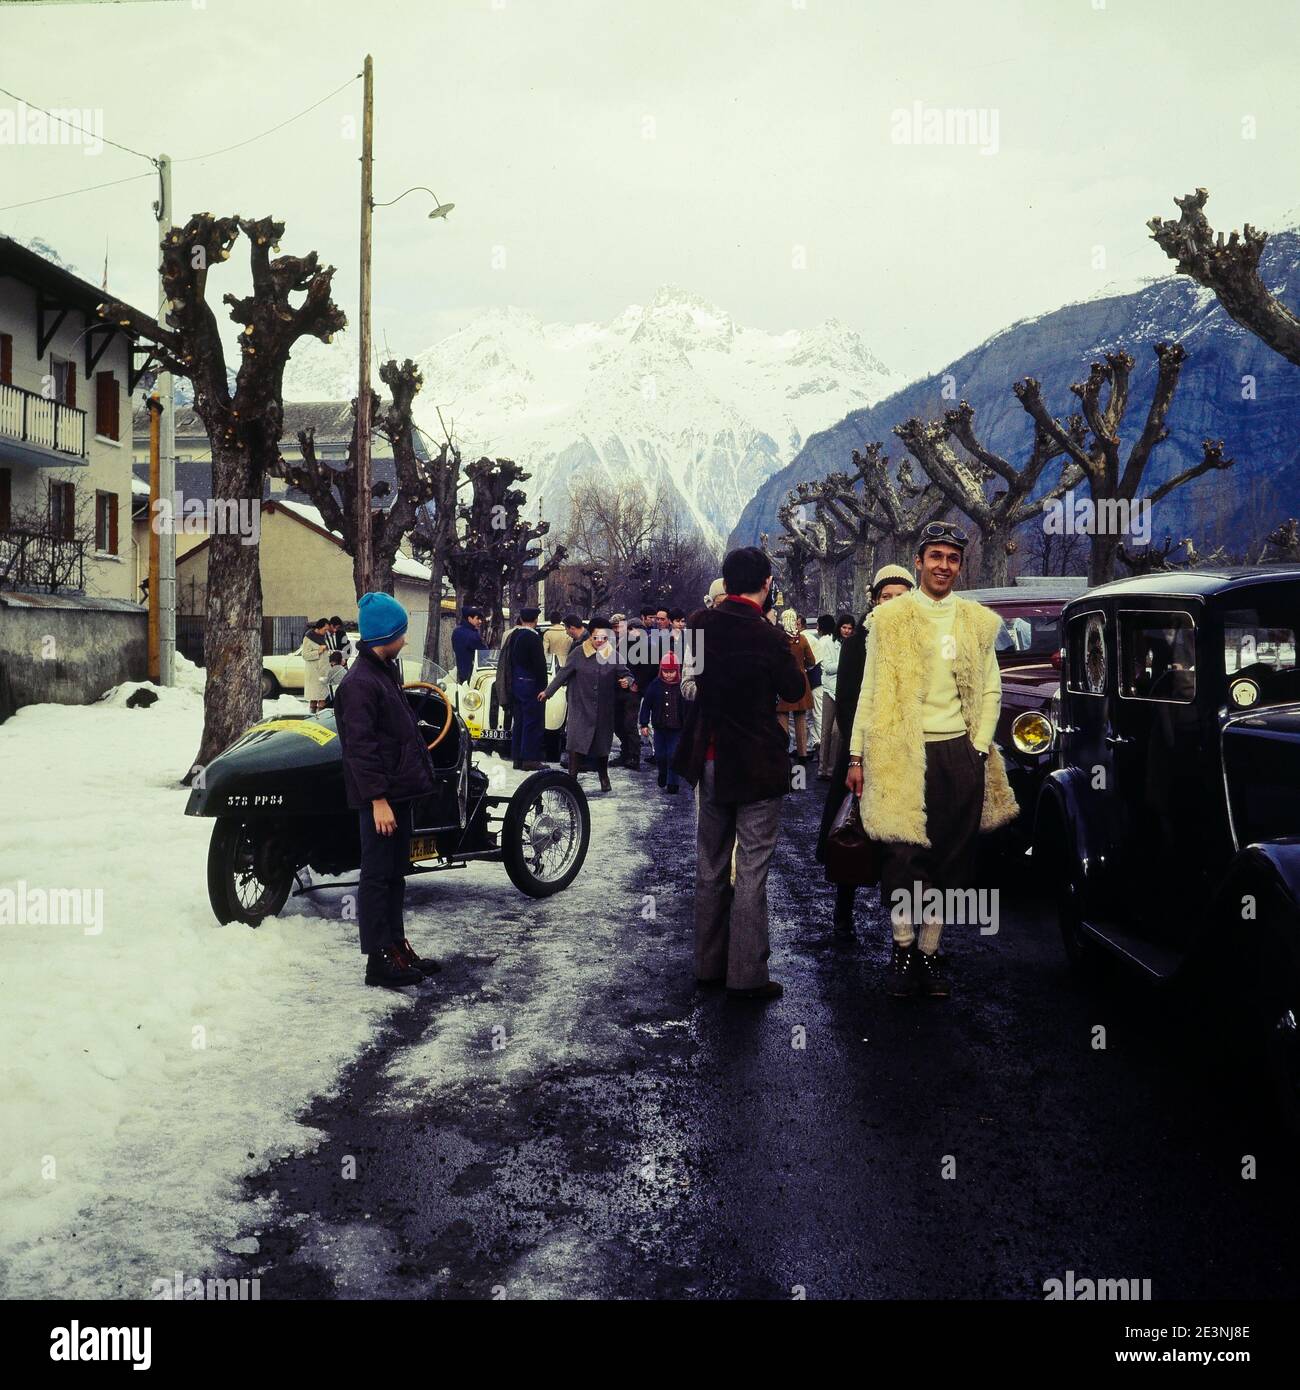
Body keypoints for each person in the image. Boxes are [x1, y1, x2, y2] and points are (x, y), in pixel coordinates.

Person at [846, 524, 1019, 998]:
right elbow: (870, 689)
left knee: (950, 858)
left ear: (961, 566)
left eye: (953, 558)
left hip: (958, 752)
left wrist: (979, 746)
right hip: (901, 750)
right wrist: (856, 754)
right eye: (936, 556)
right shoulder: (890, 619)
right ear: (918, 561)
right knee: (903, 855)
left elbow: (990, 688)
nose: (944, 565)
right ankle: (902, 948)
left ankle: (930, 952)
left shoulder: (977, 623)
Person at [673, 546, 805, 1001]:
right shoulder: (768, 636)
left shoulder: (699, 626)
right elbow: (794, 688)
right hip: (756, 765)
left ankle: (708, 965)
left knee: (709, 864)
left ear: (725, 583)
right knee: (751, 869)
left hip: (709, 758)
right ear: (767, 584)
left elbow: (693, 685)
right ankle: (746, 975)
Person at [333, 592, 442, 989]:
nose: (406, 640)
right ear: (387, 635)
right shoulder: (360, 683)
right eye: (402, 633)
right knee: (377, 877)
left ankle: (396, 946)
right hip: (381, 799)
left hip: (396, 793)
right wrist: (377, 800)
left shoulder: (384, 671)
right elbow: (360, 750)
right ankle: (378, 961)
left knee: (395, 874)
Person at [815, 568, 913, 935]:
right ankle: (843, 913)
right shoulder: (858, 642)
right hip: (864, 749)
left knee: (902, 843)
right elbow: (849, 700)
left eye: (902, 596)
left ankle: (904, 930)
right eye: (887, 596)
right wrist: (862, 751)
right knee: (852, 829)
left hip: (905, 753)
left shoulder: (918, 641)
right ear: (874, 600)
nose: (893, 603)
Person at [539, 617, 633, 793]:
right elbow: (563, 674)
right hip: (580, 706)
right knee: (576, 743)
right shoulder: (578, 653)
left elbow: (627, 674)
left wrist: (626, 681)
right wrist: (548, 692)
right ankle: (571, 779)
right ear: (591, 636)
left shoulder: (613, 655)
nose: (600, 642)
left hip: (604, 709)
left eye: (604, 638)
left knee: (602, 744)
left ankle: (603, 776)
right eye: (596, 637)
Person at [503, 605, 547, 769]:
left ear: (521, 619)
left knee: (519, 720)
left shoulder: (515, 635)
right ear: (535, 620)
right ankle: (529, 758)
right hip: (530, 683)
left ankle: (517, 758)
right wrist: (543, 686)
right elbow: (539, 665)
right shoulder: (533, 638)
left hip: (516, 682)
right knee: (532, 721)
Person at [639, 650, 686, 793]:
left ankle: (673, 783)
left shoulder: (681, 686)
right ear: (661, 671)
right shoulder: (655, 685)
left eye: (672, 672)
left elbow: (687, 707)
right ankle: (662, 772)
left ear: (677, 671)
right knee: (660, 755)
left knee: (673, 755)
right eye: (665, 671)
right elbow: (646, 704)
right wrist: (644, 723)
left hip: (676, 728)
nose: (668, 675)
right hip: (659, 728)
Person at [776, 608, 817, 758]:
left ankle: (783, 752)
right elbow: (812, 660)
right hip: (800, 680)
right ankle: (803, 753)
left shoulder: (779, 638)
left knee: (782, 718)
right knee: (801, 719)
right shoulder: (803, 639)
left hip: (782, 679)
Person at [815, 613, 843, 781]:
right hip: (830, 689)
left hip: (835, 689)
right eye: (844, 627)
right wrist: (846, 664)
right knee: (829, 731)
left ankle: (826, 768)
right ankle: (825, 768)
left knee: (830, 731)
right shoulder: (828, 642)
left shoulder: (837, 642)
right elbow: (827, 667)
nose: (846, 630)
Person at [300, 617, 331, 714]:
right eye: (325, 629)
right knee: (314, 699)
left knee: (323, 698)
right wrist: (318, 651)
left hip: (323, 672)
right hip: (314, 673)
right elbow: (305, 655)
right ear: (319, 628)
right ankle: (313, 718)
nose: (326, 632)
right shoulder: (308, 638)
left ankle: (320, 718)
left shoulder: (323, 637)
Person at [451, 606, 487, 683]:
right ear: (469, 618)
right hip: (473, 674)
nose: (480, 621)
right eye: (477, 618)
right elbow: (484, 654)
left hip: (461, 671)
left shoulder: (456, 631)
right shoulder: (472, 635)